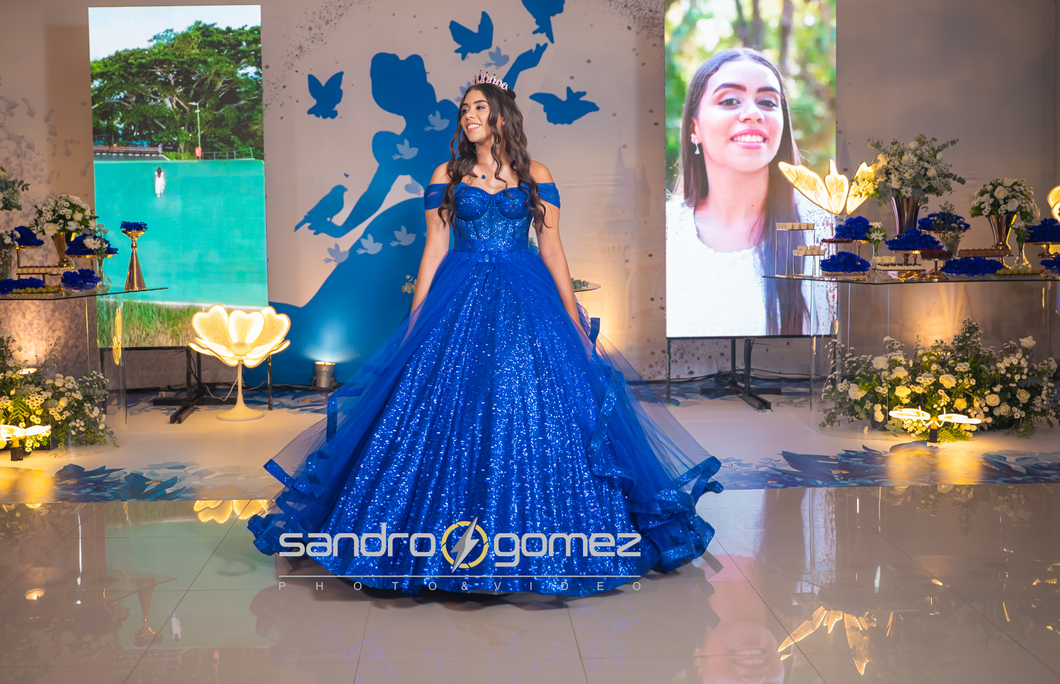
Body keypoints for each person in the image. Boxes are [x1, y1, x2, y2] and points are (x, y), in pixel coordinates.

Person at [249, 71, 720, 597]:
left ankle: (541, 534)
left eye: (478, 108)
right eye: (465, 110)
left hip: (525, 296)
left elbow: (552, 248)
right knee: (449, 405)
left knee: (529, 404)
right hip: (460, 292)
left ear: (501, 115)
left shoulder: (535, 174)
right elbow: (433, 248)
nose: (469, 117)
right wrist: (417, 319)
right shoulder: (447, 174)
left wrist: (573, 320)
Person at [666, 47, 830, 338]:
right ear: (695, 128)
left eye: (767, 102)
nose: (753, 113)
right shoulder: (663, 234)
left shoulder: (824, 230)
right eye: (730, 100)